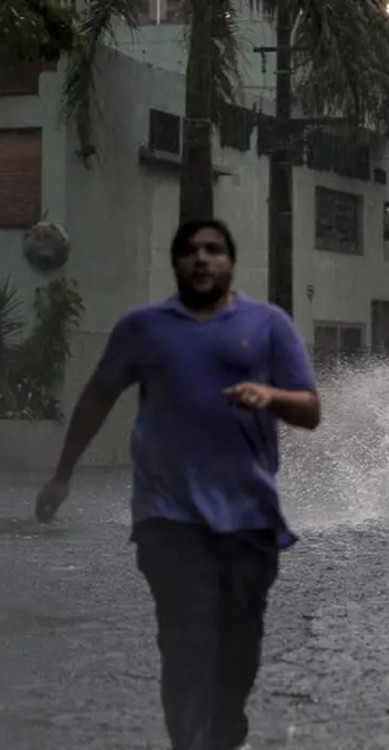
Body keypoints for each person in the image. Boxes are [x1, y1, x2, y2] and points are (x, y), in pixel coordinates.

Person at [34, 219, 321, 750]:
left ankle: (225, 733)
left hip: (250, 520)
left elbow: (310, 410)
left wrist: (269, 396)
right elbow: (97, 396)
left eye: (213, 250)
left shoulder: (269, 325)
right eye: (189, 251)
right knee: (186, 643)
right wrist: (63, 475)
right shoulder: (142, 329)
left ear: (231, 262)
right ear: (176, 264)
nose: (201, 259)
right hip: (168, 519)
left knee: (238, 649)